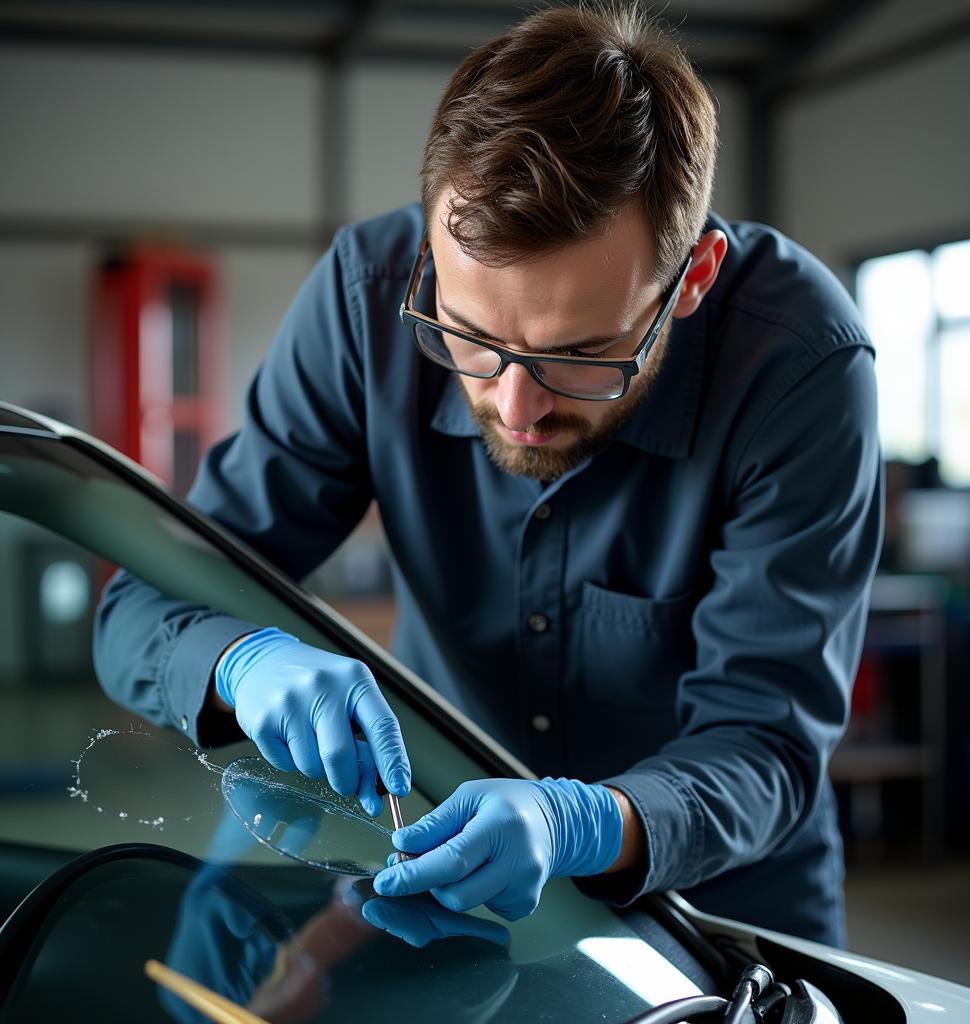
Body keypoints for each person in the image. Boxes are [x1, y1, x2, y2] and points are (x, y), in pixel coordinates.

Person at [94, 2, 882, 947]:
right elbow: (136, 609)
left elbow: (767, 743)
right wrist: (238, 662)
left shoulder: (802, 365)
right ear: (430, 251)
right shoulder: (365, 301)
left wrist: (582, 824)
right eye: (469, 338)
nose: (515, 408)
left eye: (582, 354)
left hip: (722, 916)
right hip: (442, 889)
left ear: (696, 276)